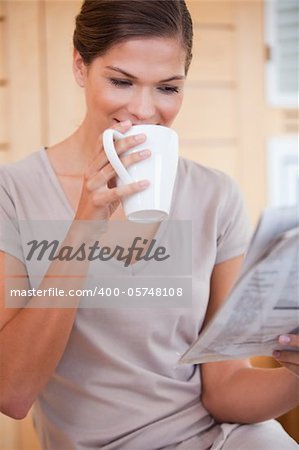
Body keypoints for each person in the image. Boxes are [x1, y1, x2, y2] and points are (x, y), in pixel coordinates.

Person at [0, 1, 298, 449]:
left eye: (168, 88)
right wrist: (85, 224)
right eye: (121, 81)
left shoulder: (215, 196)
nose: (143, 109)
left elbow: (224, 391)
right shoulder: (14, 192)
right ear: (81, 66)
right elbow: (14, 392)